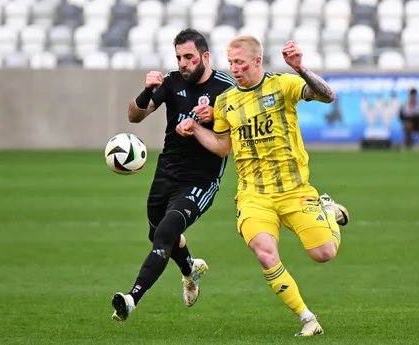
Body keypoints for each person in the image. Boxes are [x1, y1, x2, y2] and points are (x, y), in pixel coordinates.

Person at [176, 36, 350, 337]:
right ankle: (307, 318)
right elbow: (221, 147)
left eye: (241, 63)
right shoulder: (226, 101)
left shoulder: (283, 85)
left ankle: (328, 212)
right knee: (265, 252)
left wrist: (301, 69)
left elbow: (328, 95)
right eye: (231, 63)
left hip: (294, 190)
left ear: (257, 61)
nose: (235, 69)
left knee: (324, 254)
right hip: (253, 195)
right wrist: (195, 131)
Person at [111, 29, 236, 322]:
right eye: (179, 57)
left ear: (205, 56)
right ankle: (190, 269)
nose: (183, 63)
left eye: (189, 57)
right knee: (157, 234)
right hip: (166, 172)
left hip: (200, 181)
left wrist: (211, 120)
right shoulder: (171, 81)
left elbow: (223, 148)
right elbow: (134, 116)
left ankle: (131, 299)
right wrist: (146, 91)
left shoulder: (226, 90)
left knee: (166, 232)